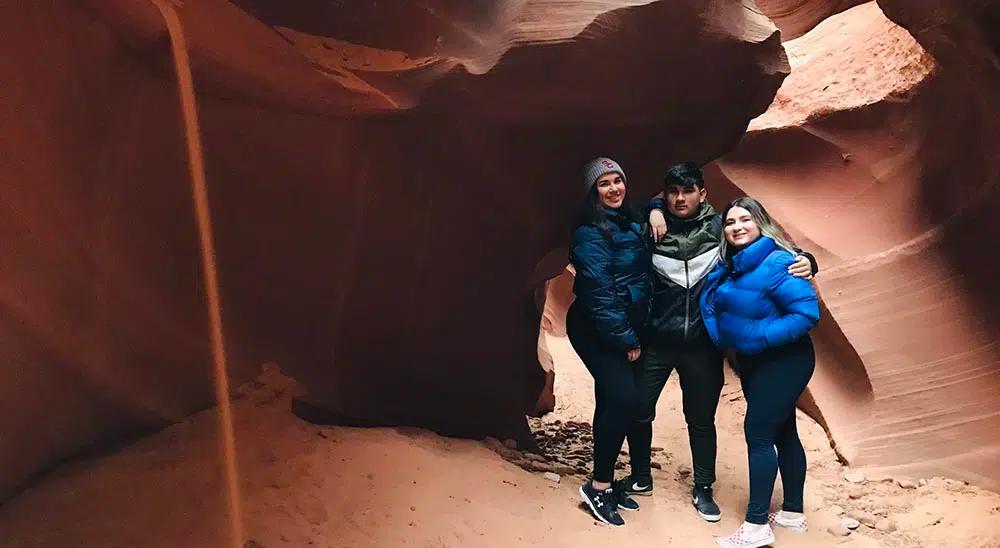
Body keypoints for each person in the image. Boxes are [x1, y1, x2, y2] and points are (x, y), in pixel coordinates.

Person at [616, 162, 817, 523]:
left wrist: (807, 260)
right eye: (672, 192)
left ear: (702, 194)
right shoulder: (651, 228)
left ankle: (703, 489)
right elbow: (621, 218)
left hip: (702, 345)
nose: (680, 198)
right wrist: (653, 209)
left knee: (701, 419)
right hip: (657, 341)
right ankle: (641, 477)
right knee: (639, 409)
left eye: (688, 191)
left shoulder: (718, 230)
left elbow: (766, 245)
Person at [700, 196, 821, 548]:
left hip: (784, 360)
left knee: (759, 433)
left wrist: (759, 337)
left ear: (760, 223)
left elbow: (806, 314)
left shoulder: (780, 262)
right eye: (730, 222)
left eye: (745, 220)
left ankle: (755, 526)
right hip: (755, 361)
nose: (737, 227)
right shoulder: (735, 264)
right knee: (783, 431)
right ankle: (792, 514)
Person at [567, 157, 650, 527]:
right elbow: (600, 292)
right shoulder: (589, 232)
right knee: (623, 398)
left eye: (618, 180)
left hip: (616, 325)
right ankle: (598, 486)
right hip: (595, 327)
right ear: (592, 192)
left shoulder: (628, 223)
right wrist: (627, 339)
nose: (614, 188)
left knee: (613, 399)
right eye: (604, 184)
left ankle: (606, 479)